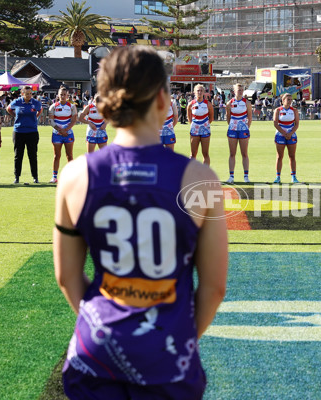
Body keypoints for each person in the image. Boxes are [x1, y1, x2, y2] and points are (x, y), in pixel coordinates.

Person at [53, 45, 228, 400]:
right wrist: (180, 337)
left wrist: (102, 325)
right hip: (167, 354)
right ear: (163, 99)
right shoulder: (201, 178)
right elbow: (213, 288)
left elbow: (67, 276)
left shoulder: (74, 175)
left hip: (95, 351)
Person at [7, 86, 42, 184]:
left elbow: (40, 110)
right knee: (18, 156)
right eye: (27, 93)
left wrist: (36, 117)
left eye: (30, 93)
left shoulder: (35, 103)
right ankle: (16, 177)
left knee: (33, 155)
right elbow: (8, 108)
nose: (29, 95)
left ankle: (35, 177)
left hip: (32, 132)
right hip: (18, 132)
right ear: (22, 94)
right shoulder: (17, 102)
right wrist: (15, 116)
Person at [49, 86, 78, 184]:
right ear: (58, 95)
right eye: (61, 94)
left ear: (68, 96)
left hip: (68, 133)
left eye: (65, 95)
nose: (63, 96)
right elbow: (51, 120)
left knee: (69, 155)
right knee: (56, 155)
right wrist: (59, 130)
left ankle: (71, 177)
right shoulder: (53, 106)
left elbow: (74, 120)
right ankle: (54, 177)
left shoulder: (72, 106)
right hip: (57, 133)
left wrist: (66, 129)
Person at [225, 83, 252, 183]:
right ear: (234, 91)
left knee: (244, 153)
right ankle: (231, 176)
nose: (240, 91)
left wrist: (245, 127)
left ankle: (246, 177)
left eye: (241, 90)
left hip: (243, 130)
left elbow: (250, 117)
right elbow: (228, 117)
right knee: (232, 153)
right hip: (232, 129)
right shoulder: (229, 103)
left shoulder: (247, 103)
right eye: (238, 90)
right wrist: (233, 125)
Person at [273, 93, 299, 183]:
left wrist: (290, 133)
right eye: (288, 99)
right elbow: (275, 123)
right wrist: (284, 133)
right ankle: (278, 177)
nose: (290, 101)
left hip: (291, 135)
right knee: (279, 156)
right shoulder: (278, 110)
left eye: (291, 100)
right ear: (283, 100)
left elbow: (297, 124)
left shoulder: (294, 110)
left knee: (292, 156)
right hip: (280, 135)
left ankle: (293, 177)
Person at [187, 84, 214, 165]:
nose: (199, 92)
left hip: (205, 129)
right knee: (193, 154)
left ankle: (205, 173)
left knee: (205, 153)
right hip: (195, 129)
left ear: (204, 92)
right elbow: (189, 117)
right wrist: (194, 125)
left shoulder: (208, 104)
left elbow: (211, 117)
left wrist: (205, 125)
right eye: (198, 91)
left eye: (201, 90)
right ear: (194, 92)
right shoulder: (191, 104)